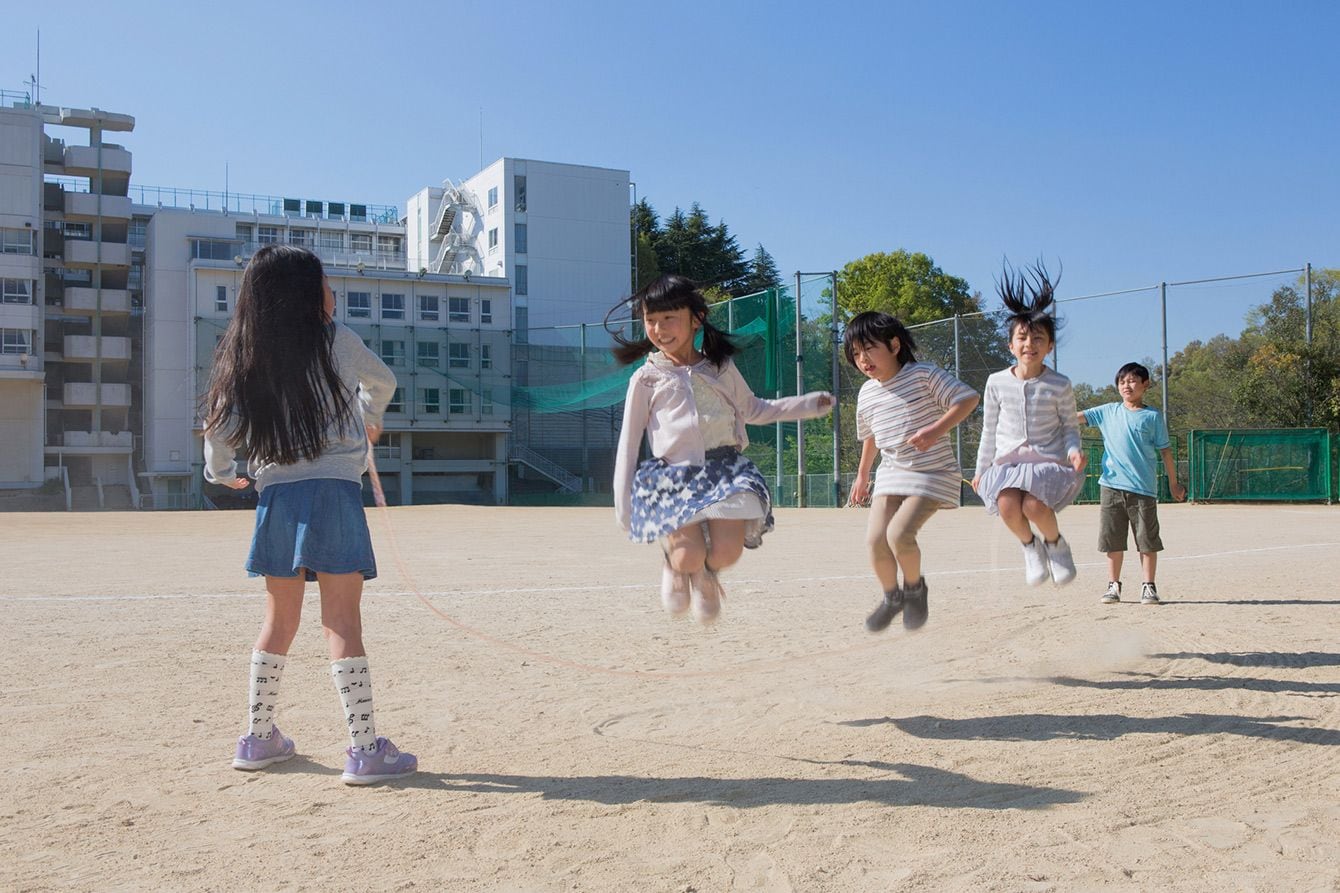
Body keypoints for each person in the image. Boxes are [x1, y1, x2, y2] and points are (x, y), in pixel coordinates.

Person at [202, 244, 416, 785]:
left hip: (276, 497)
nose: (332, 292)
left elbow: (220, 428)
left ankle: (257, 739)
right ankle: (364, 750)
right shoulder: (337, 339)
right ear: (306, 293)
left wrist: (223, 474)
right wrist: (368, 416)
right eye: (325, 283)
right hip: (334, 492)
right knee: (342, 622)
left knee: (277, 622)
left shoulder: (246, 352)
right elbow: (383, 381)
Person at [611, 274, 834, 624]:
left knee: (728, 553)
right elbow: (628, 445)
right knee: (687, 556)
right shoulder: (645, 379)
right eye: (650, 320)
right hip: (674, 477)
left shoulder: (720, 367)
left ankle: (707, 574)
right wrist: (624, 506)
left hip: (725, 472)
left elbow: (755, 409)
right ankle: (676, 564)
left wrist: (806, 405)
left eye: (669, 317)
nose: (659, 328)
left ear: (696, 319)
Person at [845, 311, 980, 632]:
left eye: (869, 348)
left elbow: (968, 398)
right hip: (891, 472)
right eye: (856, 353)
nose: (863, 359)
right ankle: (892, 597)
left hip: (932, 473)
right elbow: (871, 436)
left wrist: (935, 430)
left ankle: (915, 590)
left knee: (899, 534)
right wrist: (862, 475)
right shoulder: (867, 393)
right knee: (875, 540)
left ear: (894, 345)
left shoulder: (923, 375)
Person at [973, 262, 1086, 587]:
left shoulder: (1060, 384)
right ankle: (1030, 548)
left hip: (1047, 461)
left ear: (1050, 346)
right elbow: (989, 430)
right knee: (1008, 505)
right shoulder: (996, 382)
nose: (1029, 344)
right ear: (1011, 345)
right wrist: (981, 470)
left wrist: (1074, 451)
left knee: (1035, 506)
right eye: (1022, 337)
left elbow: (1069, 426)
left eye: (1038, 338)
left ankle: (1056, 546)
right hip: (1008, 463)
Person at [1077, 362, 1187, 605]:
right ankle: (1113, 585)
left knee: (1147, 541)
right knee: (1112, 540)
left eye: (1132, 381)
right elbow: (1074, 418)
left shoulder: (1153, 416)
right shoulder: (1107, 411)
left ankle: (1148, 586)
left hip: (1143, 489)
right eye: (1122, 381)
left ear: (1145, 384)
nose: (1126, 385)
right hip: (1111, 487)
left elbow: (1166, 452)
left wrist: (1174, 483)